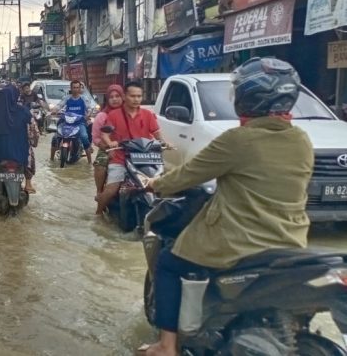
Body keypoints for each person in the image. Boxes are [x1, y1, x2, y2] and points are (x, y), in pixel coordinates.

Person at [139, 57, 313, 356]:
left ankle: (167, 345)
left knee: (168, 262)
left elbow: (185, 176)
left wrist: (155, 184)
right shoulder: (301, 139)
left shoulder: (238, 139)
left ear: (248, 97)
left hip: (238, 242)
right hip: (291, 241)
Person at [97, 81, 168, 217]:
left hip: (145, 158)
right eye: (133, 96)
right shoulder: (114, 115)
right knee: (111, 189)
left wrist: (164, 143)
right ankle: (98, 213)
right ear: (124, 96)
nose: (136, 99)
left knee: (160, 185)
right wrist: (110, 142)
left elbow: (157, 132)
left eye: (139, 96)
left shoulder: (148, 114)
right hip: (120, 158)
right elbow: (104, 134)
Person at [92, 85, 124, 199]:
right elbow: (96, 138)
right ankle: (100, 192)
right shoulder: (102, 116)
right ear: (107, 99)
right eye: (111, 97)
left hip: (130, 148)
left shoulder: (129, 114)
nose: (115, 99)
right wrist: (107, 148)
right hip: (108, 148)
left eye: (117, 96)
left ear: (123, 97)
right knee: (101, 164)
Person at [50, 80, 93, 164]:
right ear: (71, 88)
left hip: (79, 123)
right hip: (67, 123)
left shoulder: (84, 98)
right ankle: (51, 159)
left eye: (77, 87)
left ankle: (89, 162)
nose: (76, 89)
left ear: (80, 88)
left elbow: (89, 108)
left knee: (84, 137)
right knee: (55, 137)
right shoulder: (67, 98)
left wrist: (88, 115)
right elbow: (59, 105)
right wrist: (54, 110)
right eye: (74, 87)